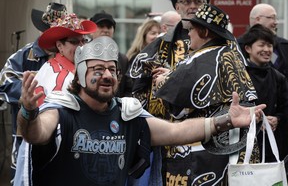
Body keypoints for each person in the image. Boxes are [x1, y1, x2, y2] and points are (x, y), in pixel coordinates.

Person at [16, 36, 265, 186]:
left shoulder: (127, 114)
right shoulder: (62, 110)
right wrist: (28, 111)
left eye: (112, 70)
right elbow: (35, 134)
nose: (107, 76)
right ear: (80, 77)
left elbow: (177, 132)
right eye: (98, 70)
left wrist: (227, 121)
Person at [155, 3, 258, 185]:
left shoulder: (198, 60)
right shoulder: (233, 55)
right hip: (241, 151)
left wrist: (162, 81)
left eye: (193, 29)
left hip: (206, 154)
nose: (188, 34)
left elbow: (177, 108)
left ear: (204, 32)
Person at [127, 0, 211, 185]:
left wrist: (173, 77)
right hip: (171, 139)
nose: (192, 6)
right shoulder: (161, 44)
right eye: (187, 1)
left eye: (198, 1)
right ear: (177, 6)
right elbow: (136, 83)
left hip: (212, 135)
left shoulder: (221, 40)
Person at [0, 2, 67, 183]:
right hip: (26, 134)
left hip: (64, 133)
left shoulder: (70, 54)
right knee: (23, 177)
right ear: (41, 30)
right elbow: (4, 80)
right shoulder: (24, 55)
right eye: (48, 30)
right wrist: (28, 92)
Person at [241, 24, 288, 162]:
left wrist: (277, 119)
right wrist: (255, 119)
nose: (267, 50)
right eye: (262, 45)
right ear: (248, 48)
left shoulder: (278, 77)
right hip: (244, 143)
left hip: (272, 142)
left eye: (270, 46)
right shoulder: (237, 75)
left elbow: (285, 106)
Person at [33, 13, 97, 105]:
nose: (81, 46)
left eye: (84, 41)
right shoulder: (65, 80)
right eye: (74, 42)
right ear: (59, 46)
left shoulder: (52, 64)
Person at [237, 3, 288, 78]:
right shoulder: (237, 47)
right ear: (258, 19)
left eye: (269, 45)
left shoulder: (284, 45)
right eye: (272, 18)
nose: (276, 22)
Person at [90, 10, 130, 97]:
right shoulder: (82, 54)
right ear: (91, 31)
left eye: (109, 27)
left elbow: (128, 88)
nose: (105, 30)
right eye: (101, 26)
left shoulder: (122, 59)